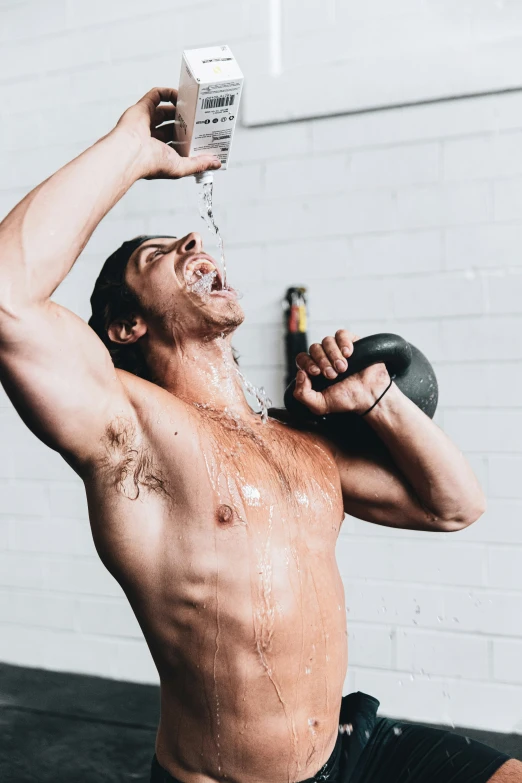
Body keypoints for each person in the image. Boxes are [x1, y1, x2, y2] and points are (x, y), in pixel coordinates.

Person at [0, 87, 519, 783]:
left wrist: (377, 400)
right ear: (126, 327)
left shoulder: (299, 443)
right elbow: (8, 297)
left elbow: (455, 505)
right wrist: (131, 146)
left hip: (349, 747)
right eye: (157, 252)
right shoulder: (130, 430)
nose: (192, 241)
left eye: (188, 239)